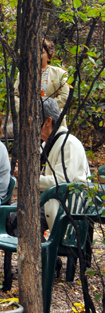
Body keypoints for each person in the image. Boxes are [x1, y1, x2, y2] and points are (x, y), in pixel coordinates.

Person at [40, 97, 89, 230]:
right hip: (47, 202)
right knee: (10, 215)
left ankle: (42, 250)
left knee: (15, 218)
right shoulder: (46, 144)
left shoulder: (69, 143)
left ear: (48, 121)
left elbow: (61, 182)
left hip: (65, 209)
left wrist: (28, 178)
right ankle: (41, 250)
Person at [14, 39, 70, 123]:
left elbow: (65, 97)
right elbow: (15, 95)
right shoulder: (23, 73)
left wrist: (45, 109)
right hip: (28, 121)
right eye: (35, 52)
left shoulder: (60, 73)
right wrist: (26, 110)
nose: (38, 55)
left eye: (42, 53)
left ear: (49, 55)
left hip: (53, 121)